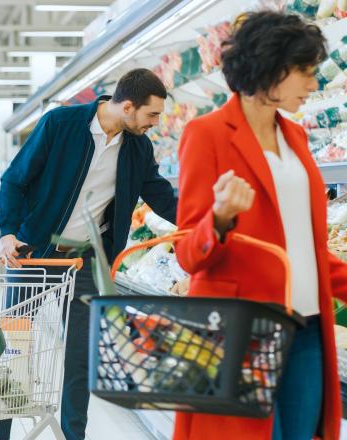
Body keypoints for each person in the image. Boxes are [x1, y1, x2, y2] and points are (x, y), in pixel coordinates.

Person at [173, 11, 347, 440]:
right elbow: (187, 253)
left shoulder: (297, 138)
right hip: (243, 329)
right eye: (305, 71)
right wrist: (219, 218)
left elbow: (306, 247)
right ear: (272, 67)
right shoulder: (206, 133)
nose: (313, 83)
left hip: (307, 327)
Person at [0, 68, 178, 440]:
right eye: (152, 115)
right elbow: (15, 179)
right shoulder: (60, 124)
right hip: (32, 255)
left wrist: (213, 218)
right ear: (128, 106)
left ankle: (73, 435)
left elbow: (161, 196)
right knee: (15, 351)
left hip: (86, 262)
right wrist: (8, 233)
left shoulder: (137, 148)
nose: (155, 124)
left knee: (80, 357)